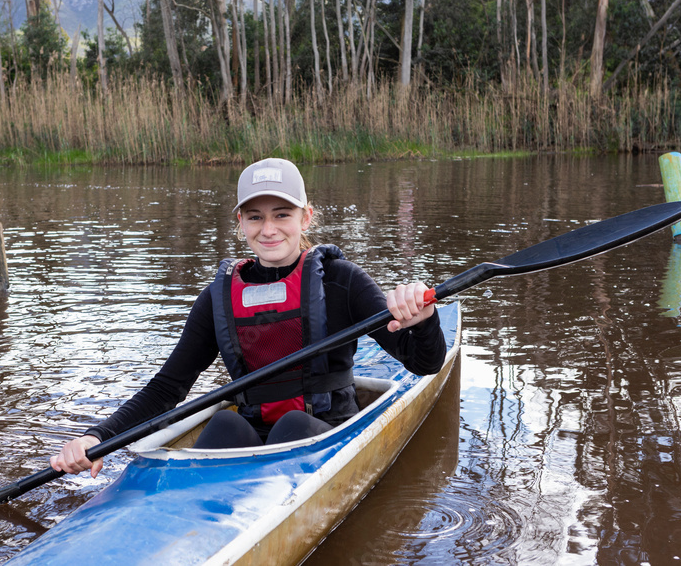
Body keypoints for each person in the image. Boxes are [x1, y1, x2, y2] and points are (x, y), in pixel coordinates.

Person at [51, 157, 446, 477]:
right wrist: (96, 437)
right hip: (251, 436)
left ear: (306, 218)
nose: (269, 229)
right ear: (240, 223)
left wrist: (424, 319)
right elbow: (168, 387)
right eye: (255, 216)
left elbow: (424, 362)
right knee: (225, 425)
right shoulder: (218, 297)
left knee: (294, 425)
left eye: (282, 214)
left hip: (326, 433)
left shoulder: (342, 281)